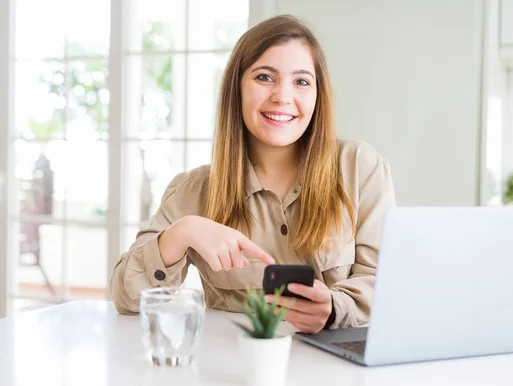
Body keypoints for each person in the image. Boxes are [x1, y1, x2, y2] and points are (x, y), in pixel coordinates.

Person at [110, 15, 395, 334]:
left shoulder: (359, 167)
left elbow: (385, 281)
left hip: (344, 375)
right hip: (234, 374)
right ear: (237, 89)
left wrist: (335, 309)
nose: (283, 96)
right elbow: (126, 298)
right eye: (264, 77)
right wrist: (182, 232)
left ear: (318, 95)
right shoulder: (194, 190)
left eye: (301, 81)